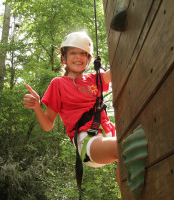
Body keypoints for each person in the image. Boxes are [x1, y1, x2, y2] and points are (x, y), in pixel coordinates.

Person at [23, 31, 120, 186]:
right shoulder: (58, 84)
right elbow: (48, 125)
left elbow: (119, 70)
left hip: (109, 133)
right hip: (88, 142)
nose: (78, 57)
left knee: (134, 152)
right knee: (124, 146)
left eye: (83, 54)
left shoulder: (95, 79)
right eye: (73, 53)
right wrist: (36, 106)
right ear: (64, 58)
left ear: (89, 59)